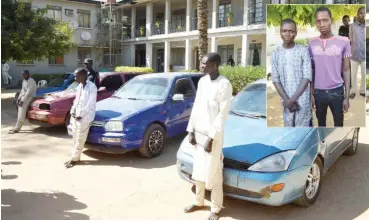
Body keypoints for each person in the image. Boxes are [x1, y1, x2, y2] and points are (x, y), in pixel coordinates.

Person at [184, 53, 233, 220]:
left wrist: (212, 138)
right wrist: (191, 130)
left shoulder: (224, 84)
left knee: (214, 172)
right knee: (198, 170)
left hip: (213, 136)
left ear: (214, 65)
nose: (201, 66)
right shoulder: (203, 81)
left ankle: (215, 207)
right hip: (198, 133)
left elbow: (222, 115)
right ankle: (199, 202)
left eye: (205, 64)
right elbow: (196, 107)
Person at [308, 7, 351, 127]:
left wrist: (346, 97)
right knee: (321, 125)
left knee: (339, 125)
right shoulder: (311, 43)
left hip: (337, 92)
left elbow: (346, 70)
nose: (322, 24)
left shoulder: (344, 41)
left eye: (325, 20)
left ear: (331, 20)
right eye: (318, 21)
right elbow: (312, 70)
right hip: (318, 93)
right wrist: (311, 94)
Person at [271, 18, 312, 127]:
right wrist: (287, 100)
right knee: (289, 131)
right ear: (280, 32)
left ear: (296, 33)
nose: (288, 34)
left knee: (303, 132)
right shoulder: (275, 54)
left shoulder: (303, 51)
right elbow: (275, 79)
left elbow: (307, 77)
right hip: (285, 101)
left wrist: (292, 100)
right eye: (284, 31)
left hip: (302, 100)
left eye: (291, 31)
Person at [65, 68, 97, 168]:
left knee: (80, 138)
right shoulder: (79, 86)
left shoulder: (92, 87)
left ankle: (75, 159)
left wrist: (81, 114)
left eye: (77, 76)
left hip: (85, 117)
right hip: (76, 116)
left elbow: (90, 104)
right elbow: (76, 101)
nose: (75, 78)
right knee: (74, 136)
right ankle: (74, 157)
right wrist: (73, 112)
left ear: (83, 75)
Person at [349, 7, 366, 98]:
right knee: (354, 74)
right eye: (360, 13)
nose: (362, 15)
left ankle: (363, 90)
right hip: (354, 54)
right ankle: (353, 91)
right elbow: (350, 39)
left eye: (363, 13)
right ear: (357, 14)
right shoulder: (352, 26)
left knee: (364, 73)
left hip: (364, 55)